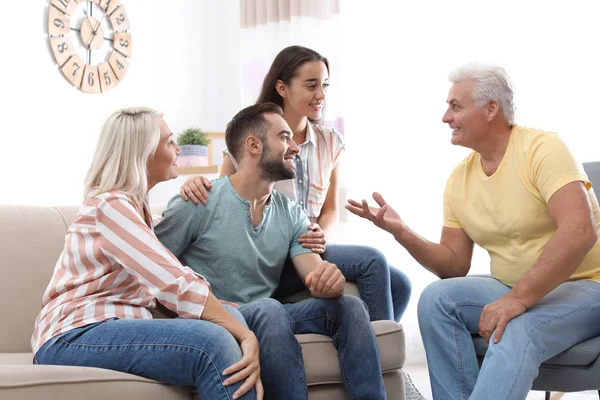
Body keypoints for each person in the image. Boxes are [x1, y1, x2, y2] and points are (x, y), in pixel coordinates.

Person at [346, 63, 600, 400]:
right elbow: (453, 265)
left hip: (586, 285)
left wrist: (516, 300)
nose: (445, 117)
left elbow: (581, 230)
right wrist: (402, 232)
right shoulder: (460, 179)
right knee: (436, 300)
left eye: (455, 106)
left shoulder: (543, 150)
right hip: (513, 284)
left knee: (514, 329)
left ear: (491, 108)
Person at [154, 103, 386, 400]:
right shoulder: (199, 201)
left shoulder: (292, 213)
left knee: (350, 306)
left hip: (266, 316)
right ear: (253, 145)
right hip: (216, 317)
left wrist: (329, 282)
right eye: (284, 137)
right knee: (269, 307)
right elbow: (152, 272)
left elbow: (313, 273)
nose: (294, 148)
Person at [32, 107, 263, 400]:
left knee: (228, 318)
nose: (178, 149)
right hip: (72, 335)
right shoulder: (110, 207)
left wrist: (223, 311)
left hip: (112, 327)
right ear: (142, 152)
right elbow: (172, 281)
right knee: (213, 341)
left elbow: (158, 291)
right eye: (169, 142)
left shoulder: (134, 211)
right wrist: (245, 334)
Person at [180, 45, 412, 323]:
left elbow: (330, 210)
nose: (321, 95)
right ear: (282, 87)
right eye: (311, 85)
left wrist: (321, 233)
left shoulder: (331, 142)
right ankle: (385, 356)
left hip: (308, 248)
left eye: (325, 85)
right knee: (372, 260)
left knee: (401, 284)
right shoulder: (254, 137)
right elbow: (226, 194)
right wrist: (194, 181)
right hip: (271, 249)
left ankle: (375, 345)